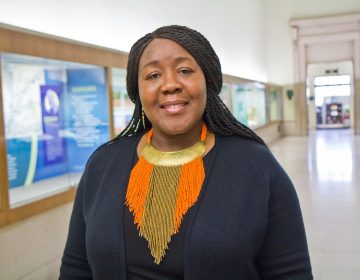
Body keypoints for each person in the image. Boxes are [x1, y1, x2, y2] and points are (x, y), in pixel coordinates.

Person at [59, 25, 313, 280]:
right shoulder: (103, 165)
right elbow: (76, 267)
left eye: (184, 70)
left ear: (208, 81)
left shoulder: (256, 165)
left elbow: (291, 273)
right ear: (137, 91)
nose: (169, 85)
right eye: (153, 75)